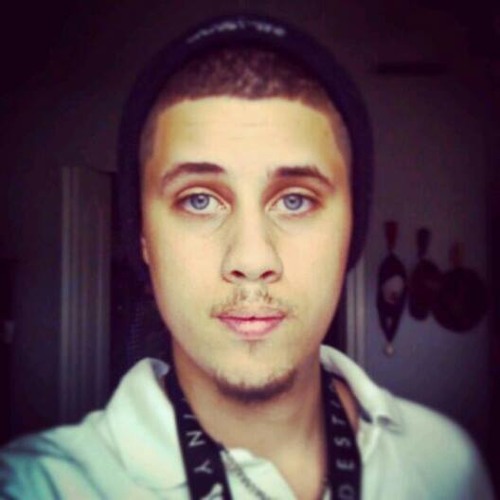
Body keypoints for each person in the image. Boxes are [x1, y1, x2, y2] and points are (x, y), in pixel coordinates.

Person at [0, 13, 494, 500]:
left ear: (351, 233)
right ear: (144, 238)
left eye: (295, 200)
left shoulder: (446, 465)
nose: (253, 259)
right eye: (199, 199)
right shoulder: (40, 486)